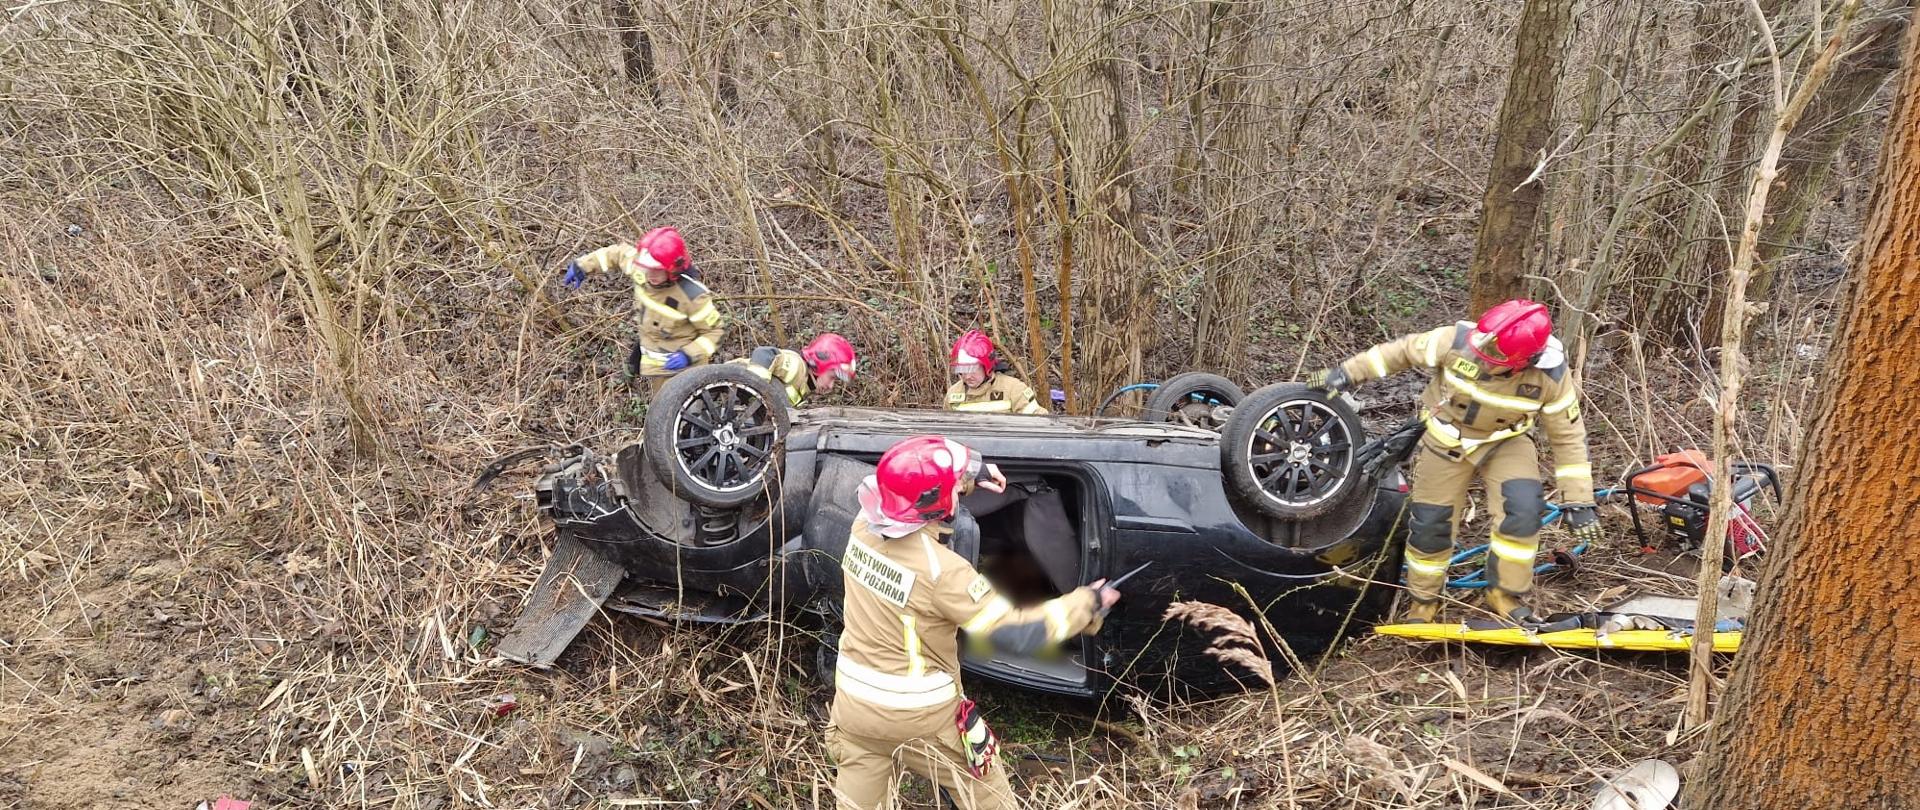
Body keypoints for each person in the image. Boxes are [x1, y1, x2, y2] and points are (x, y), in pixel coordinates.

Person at [828, 435, 1119, 809]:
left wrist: (971, 473)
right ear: (939, 501)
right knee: (987, 793)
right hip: (919, 718)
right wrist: (1086, 603)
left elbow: (916, 490)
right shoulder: (944, 572)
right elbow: (1017, 633)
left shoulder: (862, 528)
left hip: (853, 709)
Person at [1307, 299, 1600, 625]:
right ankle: (1423, 601)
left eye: (1500, 357)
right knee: (1431, 523)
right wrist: (1345, 374)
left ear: (1523, 360)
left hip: (1506, 442)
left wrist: (1579, 500)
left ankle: (1504, 593)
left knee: (1523, 511)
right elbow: (1399, 352)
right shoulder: (1458, 341)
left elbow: (1568, 437)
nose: (1489, 359)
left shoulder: (1551, 377)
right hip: (1446, 438)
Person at [560, 226, 725, 395]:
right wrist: (583, 265)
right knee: (659, 411)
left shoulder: (692, 296)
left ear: (672, 269)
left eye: (657, 270)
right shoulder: (642, 269)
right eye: (648, 268)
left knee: (680, 416)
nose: (650, 274)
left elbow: (714, 332)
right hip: (657, 367)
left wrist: (688, 355)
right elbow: (616, 255)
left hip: (687, 372)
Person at [725, 333, 859, 406]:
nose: (831, 386)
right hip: (719, 392)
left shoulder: (803, 386)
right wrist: (757, 392)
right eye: (832, 378)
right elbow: (764, 354)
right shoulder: (797, 366)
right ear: (819, 363)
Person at [943, 330, 1046, 415]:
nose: (967, 376)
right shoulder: (953, 394)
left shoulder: (1013, 389)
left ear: (987, 367)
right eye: (962, 370)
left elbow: (1040, 423)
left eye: (972, 369)